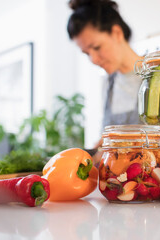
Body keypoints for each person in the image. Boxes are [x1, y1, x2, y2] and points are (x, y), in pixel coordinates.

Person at [67, 0, 143, 163]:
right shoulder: (109, 83)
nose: (93, 59)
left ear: (117, 33)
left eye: (96, 47)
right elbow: (107, 142)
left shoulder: (158, 75)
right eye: (86, 53)